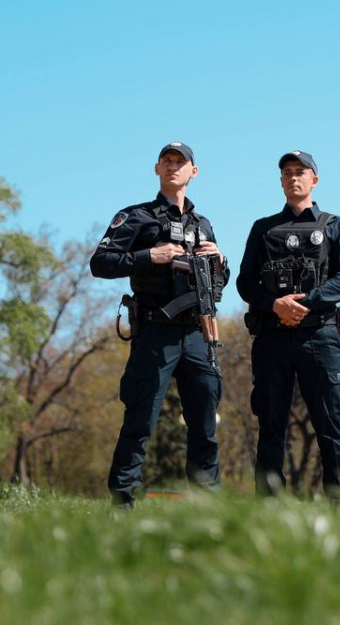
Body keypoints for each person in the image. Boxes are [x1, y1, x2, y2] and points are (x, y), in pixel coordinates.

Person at [90, 141, 228, 508]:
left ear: (193, 172)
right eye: (167, 161)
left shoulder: (204, 225)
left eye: (180, 163)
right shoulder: (136, 217)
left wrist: (220, 261)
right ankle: (122, 503)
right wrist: (151, 255)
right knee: (140, 419)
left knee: (204, 424)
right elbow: (100, 263)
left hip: (198, 332)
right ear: (157, 169)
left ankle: (207, 506)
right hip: (156, 330)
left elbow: (216, 284)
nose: (173, 167)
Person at [237, 150, 340, 501]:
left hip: (318, 338)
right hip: (273, 338)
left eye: (301, 172)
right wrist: (275, 304)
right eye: (287, 173)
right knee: (270, 424)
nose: (294, 178)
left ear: (314, 180)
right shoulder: (263, 229)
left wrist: (306, 303)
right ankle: (269, 506)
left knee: (330, 423)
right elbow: (245, 283)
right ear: (281, 181)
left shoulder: (334, 226)